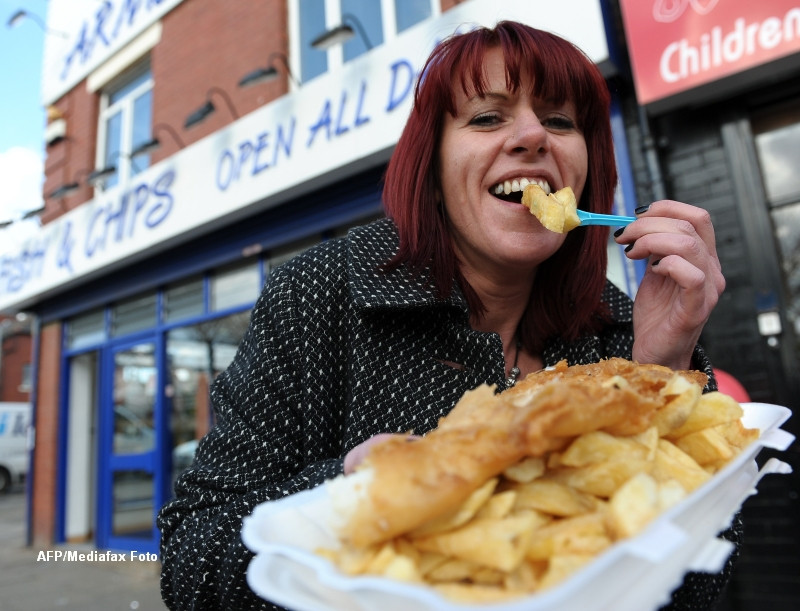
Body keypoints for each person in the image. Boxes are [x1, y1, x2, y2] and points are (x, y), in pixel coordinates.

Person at [158, 21, 732, 610]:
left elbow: (708, 579)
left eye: (561, 121)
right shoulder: (321, 294)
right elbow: (192, 563)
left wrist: (659, 372)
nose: (534, 135)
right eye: (487, 117)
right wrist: (348, 493)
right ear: (431, 168)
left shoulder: (622, 329)